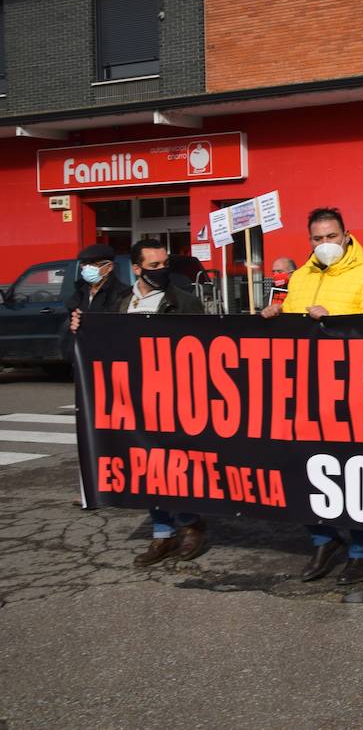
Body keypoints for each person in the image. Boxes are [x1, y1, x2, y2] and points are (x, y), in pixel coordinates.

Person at [262, 207, 363, 585]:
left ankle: (360, 551)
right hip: (303, 388)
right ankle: (323, 539)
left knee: (353, 473)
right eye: (317, 239)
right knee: (300, 468)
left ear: (346, 235)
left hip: (352, 390)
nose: (324, 245)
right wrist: (276, 313)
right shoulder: (300, 276)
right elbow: (292, 326)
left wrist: (332, 321)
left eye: (330, 237)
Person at [70, 239, 208, 567]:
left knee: (175, 465)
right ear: (136, 269)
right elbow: (101, 344)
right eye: (154, 266)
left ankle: (190, 523)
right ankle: (162, 534)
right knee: (144, 468)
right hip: (131, 400)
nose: (162, 271)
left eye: (165, 265)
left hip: (172, 399)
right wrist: (79, 329)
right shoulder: (119, 303)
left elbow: (201, 349)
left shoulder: (183, 302)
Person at [60, 244, 132, 362]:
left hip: (110, 358)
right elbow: (71, 326)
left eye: (93, 265)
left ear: (109, 267)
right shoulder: (80, 292)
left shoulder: (122, 294)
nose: (88, 269)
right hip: (83, 360)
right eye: (84, 264)